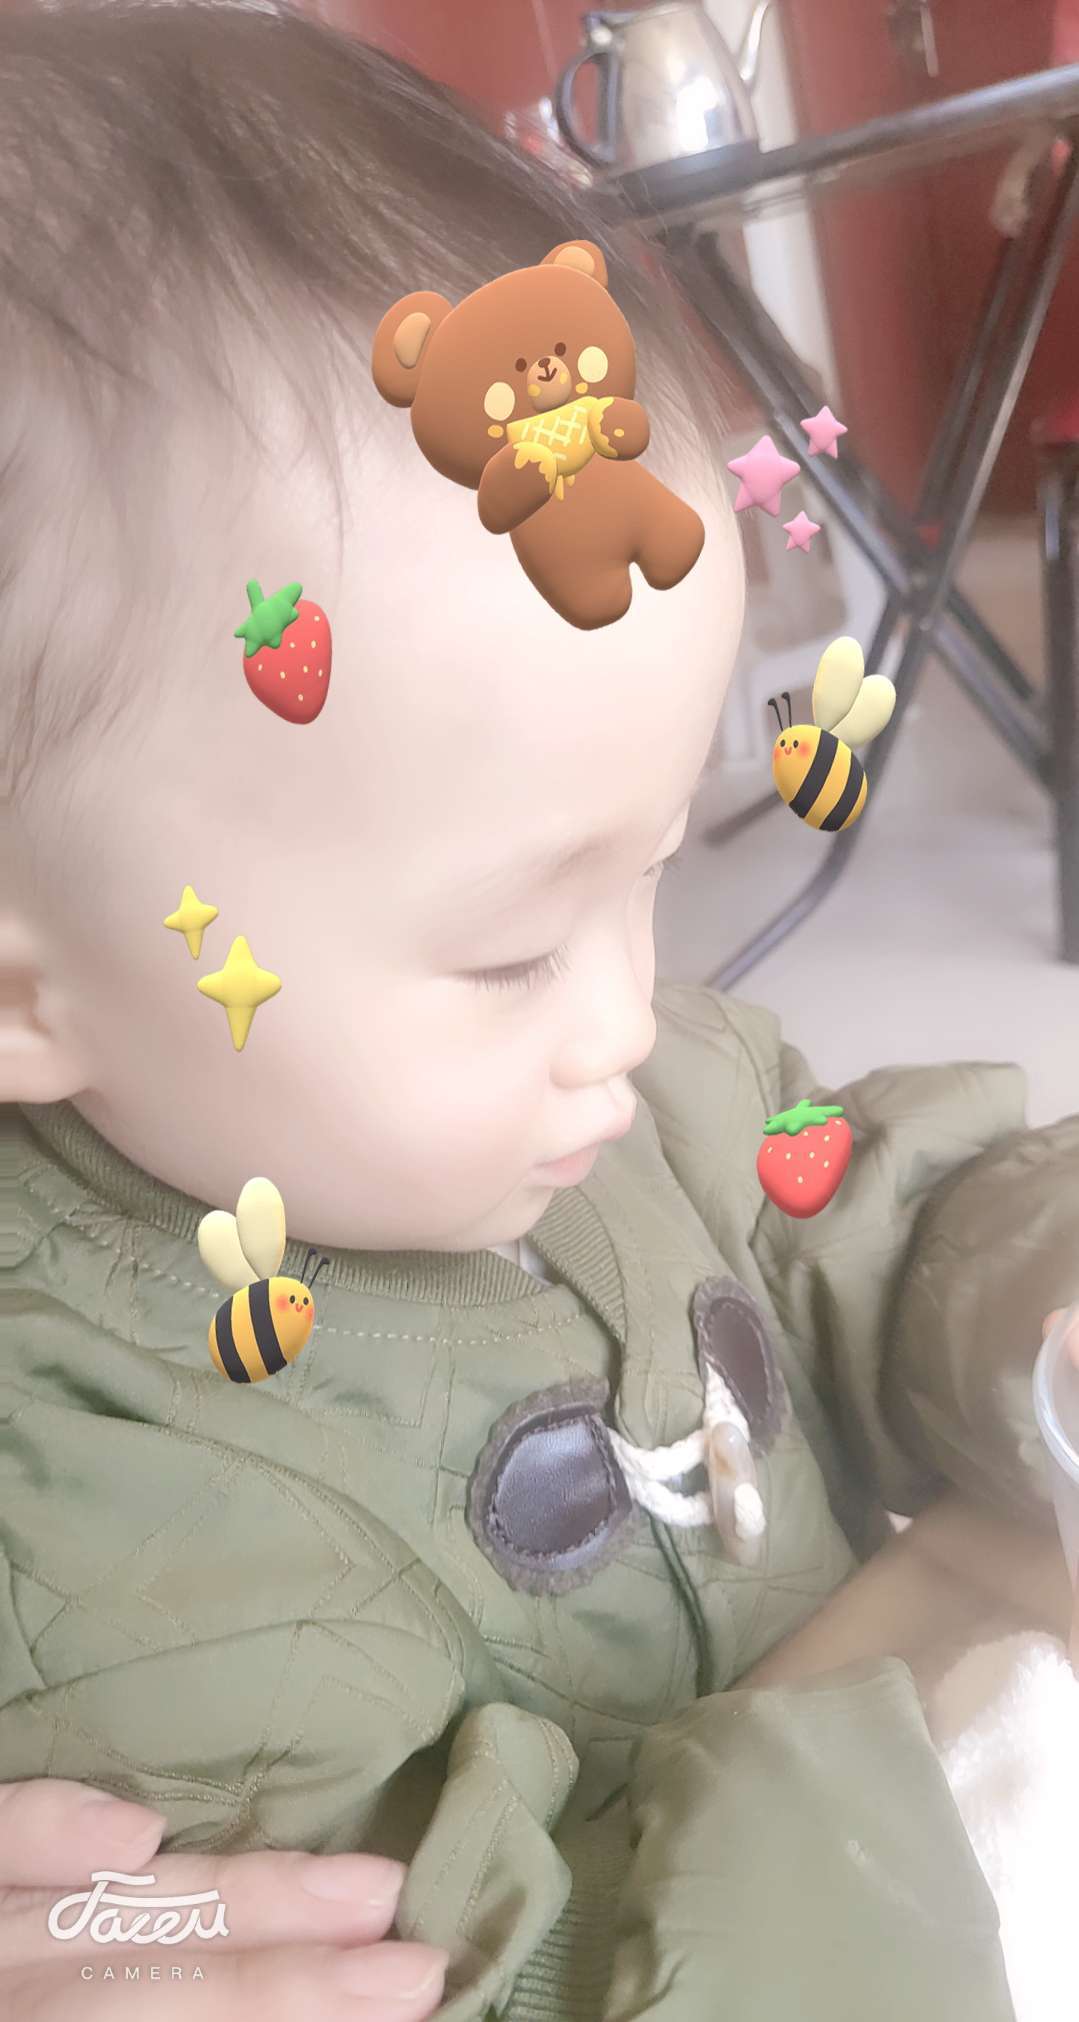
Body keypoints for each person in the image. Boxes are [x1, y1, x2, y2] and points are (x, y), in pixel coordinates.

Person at [3, 4, 1078, 2019]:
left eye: (653, 871)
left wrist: (1036, 1295)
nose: (632, 1014)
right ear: (24, 978)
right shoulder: (99, 1548)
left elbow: (862, 1200)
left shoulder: (592, 1094)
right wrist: (943, 1777)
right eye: (511, 949)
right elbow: (493, 1969)